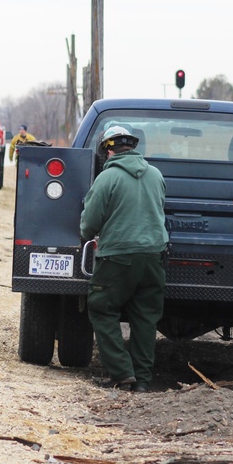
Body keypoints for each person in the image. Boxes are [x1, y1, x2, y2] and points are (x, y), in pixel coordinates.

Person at [80, 126, 168, 393]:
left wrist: (87, 233)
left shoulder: (107, 178)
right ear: (131, 148)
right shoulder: (155, 175)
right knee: (145, 317)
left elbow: (90, 222)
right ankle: (142, 380)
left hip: (117, 257)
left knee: (102, 309)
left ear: (108, 150)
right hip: (154, 257)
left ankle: (121, 373)